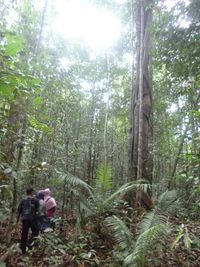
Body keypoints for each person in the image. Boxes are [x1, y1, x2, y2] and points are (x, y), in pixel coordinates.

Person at [17, 188, 39, 254]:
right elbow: (37, 210)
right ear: (31, 192)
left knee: (24, 233)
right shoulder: (35, 200)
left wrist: (17, 220)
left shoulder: (22, 200)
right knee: (35, 231)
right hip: (32, 219)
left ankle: (23, 249)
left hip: (24, 219)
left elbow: (19, 211)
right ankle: (29, 244)